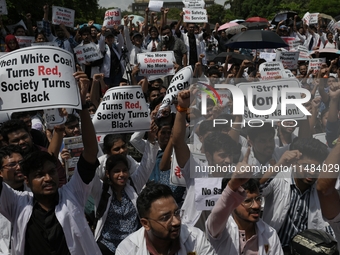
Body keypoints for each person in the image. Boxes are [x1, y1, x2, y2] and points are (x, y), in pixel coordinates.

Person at [0, 72, 102, 254]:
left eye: (51, 172)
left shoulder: (73, 194)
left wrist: (83, 106)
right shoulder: (16, 203)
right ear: (27, 180)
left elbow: (90, 152)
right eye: (39, 175)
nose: (48, 178)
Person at [260, 138, 334, 253]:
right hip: (273, 248)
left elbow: (328, 226)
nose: (312, 172)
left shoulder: (320, 190)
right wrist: (279, 164)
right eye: (307, 166)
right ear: (294, 163)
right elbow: (257, 190)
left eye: (317, 167)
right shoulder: (280, 178)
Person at [91, 137, 158, 254]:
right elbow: (89, 174)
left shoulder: (133, 184)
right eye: (116, 171)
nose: (121, 175)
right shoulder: (101, 190)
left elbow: (147, 165)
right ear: (108, 174)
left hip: (135, 245)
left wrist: (152, 140)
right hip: (108, 246)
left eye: (124, 170)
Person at [206, 155, 283, 254]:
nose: (256, 206)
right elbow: (218, 214)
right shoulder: (220, 229)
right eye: (247, 201)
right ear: (232, 203)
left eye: (258, 199)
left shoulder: (270, 234)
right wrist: (232, 185)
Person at [115, 183, 217, 255]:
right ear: (146, 224)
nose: (176, 222)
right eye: (165, 218)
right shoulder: (127, 250)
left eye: (176, 213)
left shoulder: (196, 238)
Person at [0, 145, 29, 254]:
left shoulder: (35, 194)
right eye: (12, 164)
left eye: (21, 163)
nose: (18, 167)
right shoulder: (3, 194)